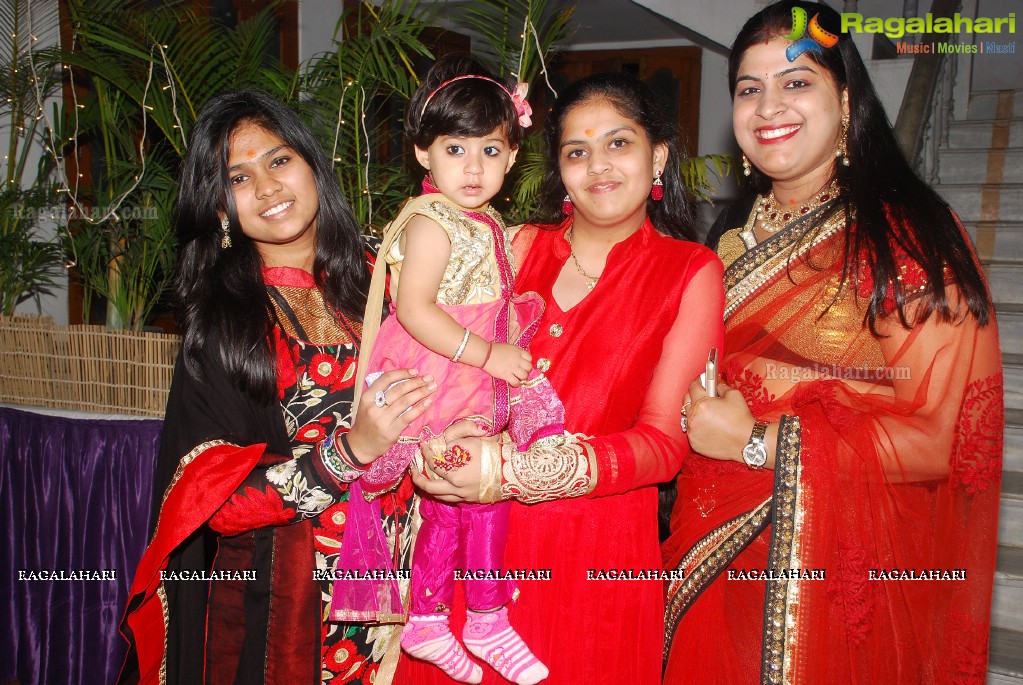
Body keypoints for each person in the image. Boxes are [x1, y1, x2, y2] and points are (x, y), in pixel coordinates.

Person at [663, 2, 1003, 682]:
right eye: (747, 88)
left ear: (845, 102)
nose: (767, 105)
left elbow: (936, 438)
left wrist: (756, 442)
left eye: (796, 82)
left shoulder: (907, 238)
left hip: (832, 580)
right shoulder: (725, 236)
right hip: (706, 557)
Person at [398, 71, 725, 684]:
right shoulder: (512, 247)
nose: (598, 165)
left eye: (619, 144)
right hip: (472, 560)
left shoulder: (690, 272)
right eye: (577, 151)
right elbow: (427, 350)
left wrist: (512, 473)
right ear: (557, 168)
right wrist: (420, 440)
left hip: (594, 564)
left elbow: (664, 445)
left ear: (657, 156)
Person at [117, 91, 438, 685]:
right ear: (218, 208)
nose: (267, 187)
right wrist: (349, 452)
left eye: (279, 160)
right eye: (239, 177)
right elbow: (216, 504)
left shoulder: (390, 276)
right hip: (298, 610)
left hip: (421, 584)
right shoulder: (223, 328)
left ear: (313, 165)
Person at [330, 54, 557, 685]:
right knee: (481, 492)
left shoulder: (481, 220)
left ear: (512, 157)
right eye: (455, 148)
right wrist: (491, 356)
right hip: (436, 375)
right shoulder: (432, 223)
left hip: (462, 372)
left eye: (490, 149)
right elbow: (414, 309)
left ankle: (430, 618)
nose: (474, 167)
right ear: (423, 152)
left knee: (457, 498)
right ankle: (483, 614)